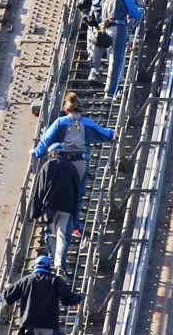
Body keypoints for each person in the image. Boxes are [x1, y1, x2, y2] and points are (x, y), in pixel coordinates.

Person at [32, 92, 115, 236]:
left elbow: (46, 139)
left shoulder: (60, 122)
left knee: (54, 189)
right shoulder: (87, 123)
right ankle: (75, 225)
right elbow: (104, 133)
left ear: (67, 108)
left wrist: (37, 152)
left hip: (62, 161)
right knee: (77, 192)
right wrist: (113, 134)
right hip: (79, 162)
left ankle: (49, 222)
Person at [91, 0, 144, 98]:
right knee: (117, 59)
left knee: (103, 53)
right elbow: (134, 14)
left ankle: (94, 71)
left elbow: (95, 5)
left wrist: (100, 21)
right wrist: (141, 11)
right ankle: (111, 92)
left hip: (105, 26)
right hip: (119, 27)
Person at [30, 143, 82, 272]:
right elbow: (77, 192)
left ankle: (53, 260)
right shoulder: (71, 167)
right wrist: (75, 215)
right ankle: (59, 265)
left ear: (52, 153)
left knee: (51, 235)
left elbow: (39, 190)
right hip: (67, 208)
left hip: (50, 208)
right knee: (62, 235)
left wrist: (34, 212)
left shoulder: (47, 166)